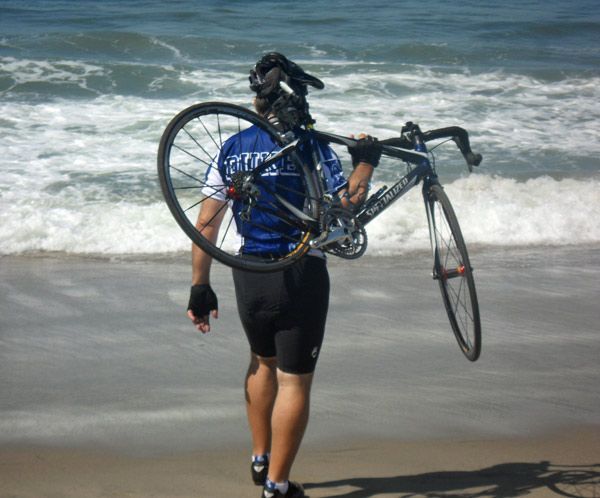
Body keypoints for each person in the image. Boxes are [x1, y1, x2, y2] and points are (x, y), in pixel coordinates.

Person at [186, 53, 381, 498]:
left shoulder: (231, 149)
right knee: (294, 379)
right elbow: (344, 207)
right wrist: (366, 162)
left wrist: (200, 286)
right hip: (298, 274)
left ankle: (259, 459)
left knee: (261, 362)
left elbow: (207, 224)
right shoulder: (309, 146)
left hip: (249, 273)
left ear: (256, 103)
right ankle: (276, 487)